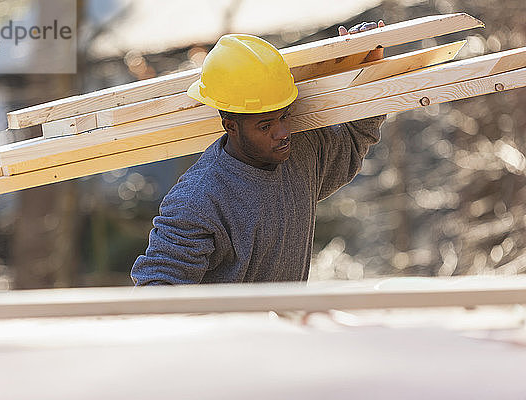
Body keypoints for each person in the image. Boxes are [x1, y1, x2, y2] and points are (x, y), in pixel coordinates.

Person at [131, 21, 386, 285]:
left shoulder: (301, 153)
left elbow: (355, 137)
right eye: (265, 125)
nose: (282, 132)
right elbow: (156, 292)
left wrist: (366, 70)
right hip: (236, 328)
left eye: (284, 116)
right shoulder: (199, 199)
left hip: (285, 325)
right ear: (231, 126)